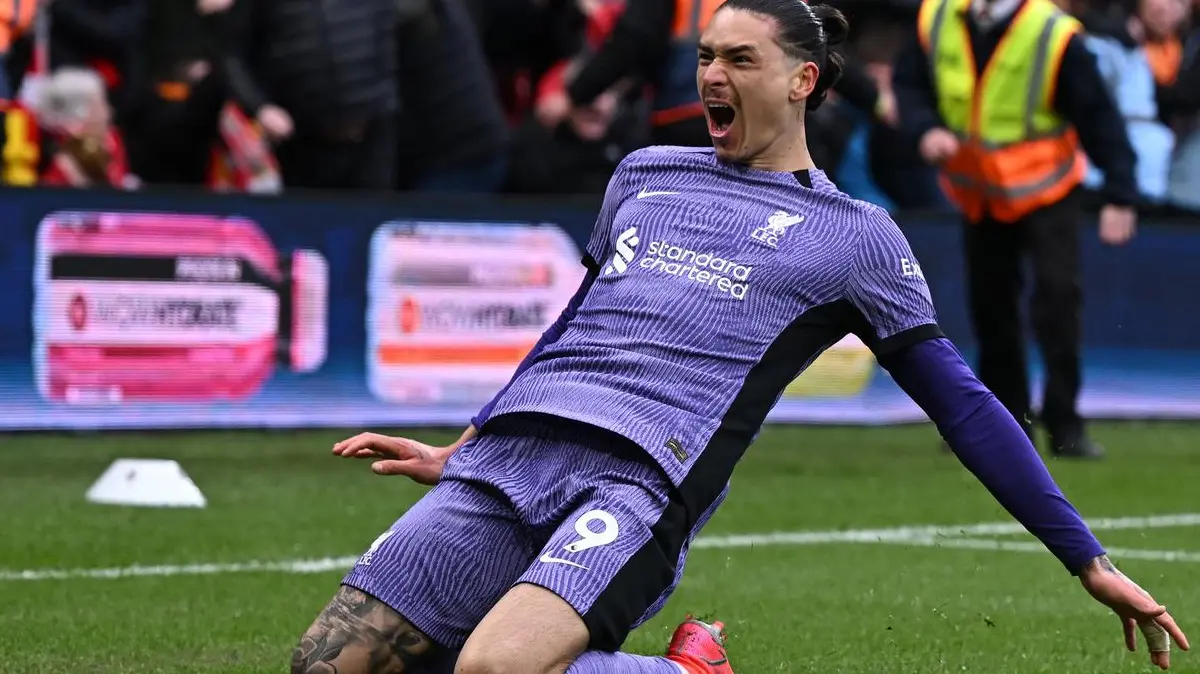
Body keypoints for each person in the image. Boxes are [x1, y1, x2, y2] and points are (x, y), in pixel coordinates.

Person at [295, 1, 1190, 673]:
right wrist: (466, 443)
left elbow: (963, 403)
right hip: (509, 458)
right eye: (705, 56)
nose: (711, 75)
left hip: (638, 482)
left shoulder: (854, 237)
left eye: (739, 57)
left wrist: (1085, 558)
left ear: (803, 80)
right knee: (325, 664)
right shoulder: (643, 172)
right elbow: (576, 326)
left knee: (495, 670)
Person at [893, 0, 1142, 459]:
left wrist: (1120, 192)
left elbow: (1098, 116)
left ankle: (1065, 425)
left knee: (1057, 300)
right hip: (981, 193)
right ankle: (1004, 423)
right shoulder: (939, 17)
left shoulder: (1053, 34)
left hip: (1046, 189)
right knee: (991, 309)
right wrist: (925, 128)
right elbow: (909, 84)